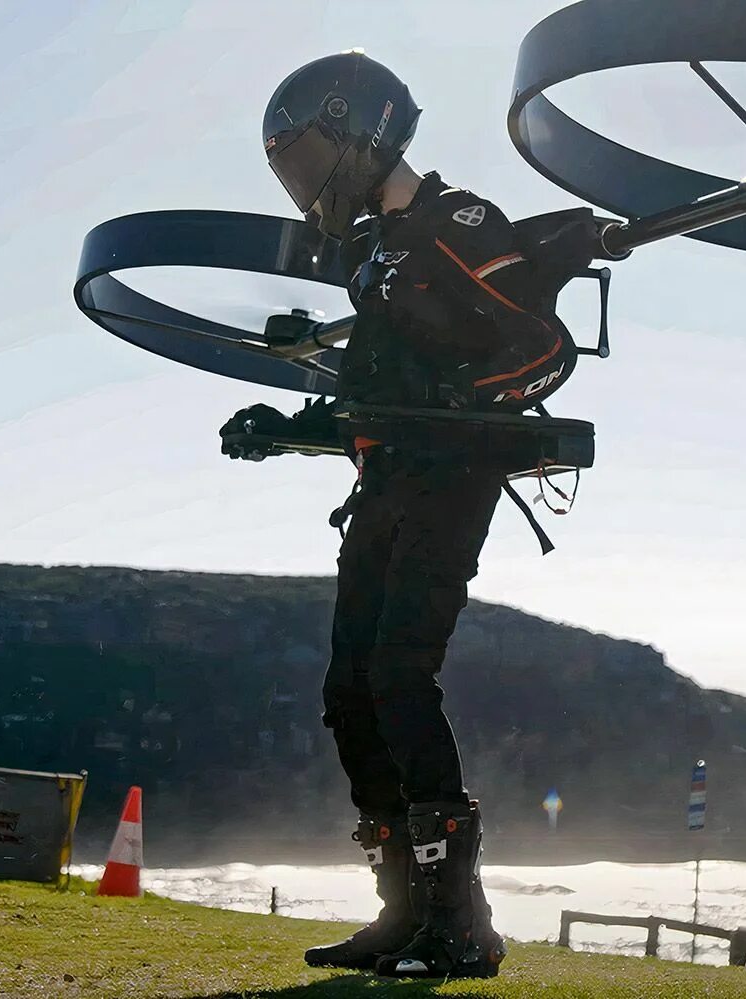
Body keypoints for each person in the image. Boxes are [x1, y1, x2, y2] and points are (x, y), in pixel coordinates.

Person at [223, 51, 593, 979]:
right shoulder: (372, 258)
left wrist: (463, 392)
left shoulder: (457, 223)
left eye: (309, 158)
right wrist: (283, 429)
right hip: (384, 488)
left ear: (361, 131)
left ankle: (462, 923)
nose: (306, 183)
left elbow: (545, 350)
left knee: (398, 675)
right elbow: (367, 403)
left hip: (449, 481)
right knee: (350, 693)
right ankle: (403, 913)